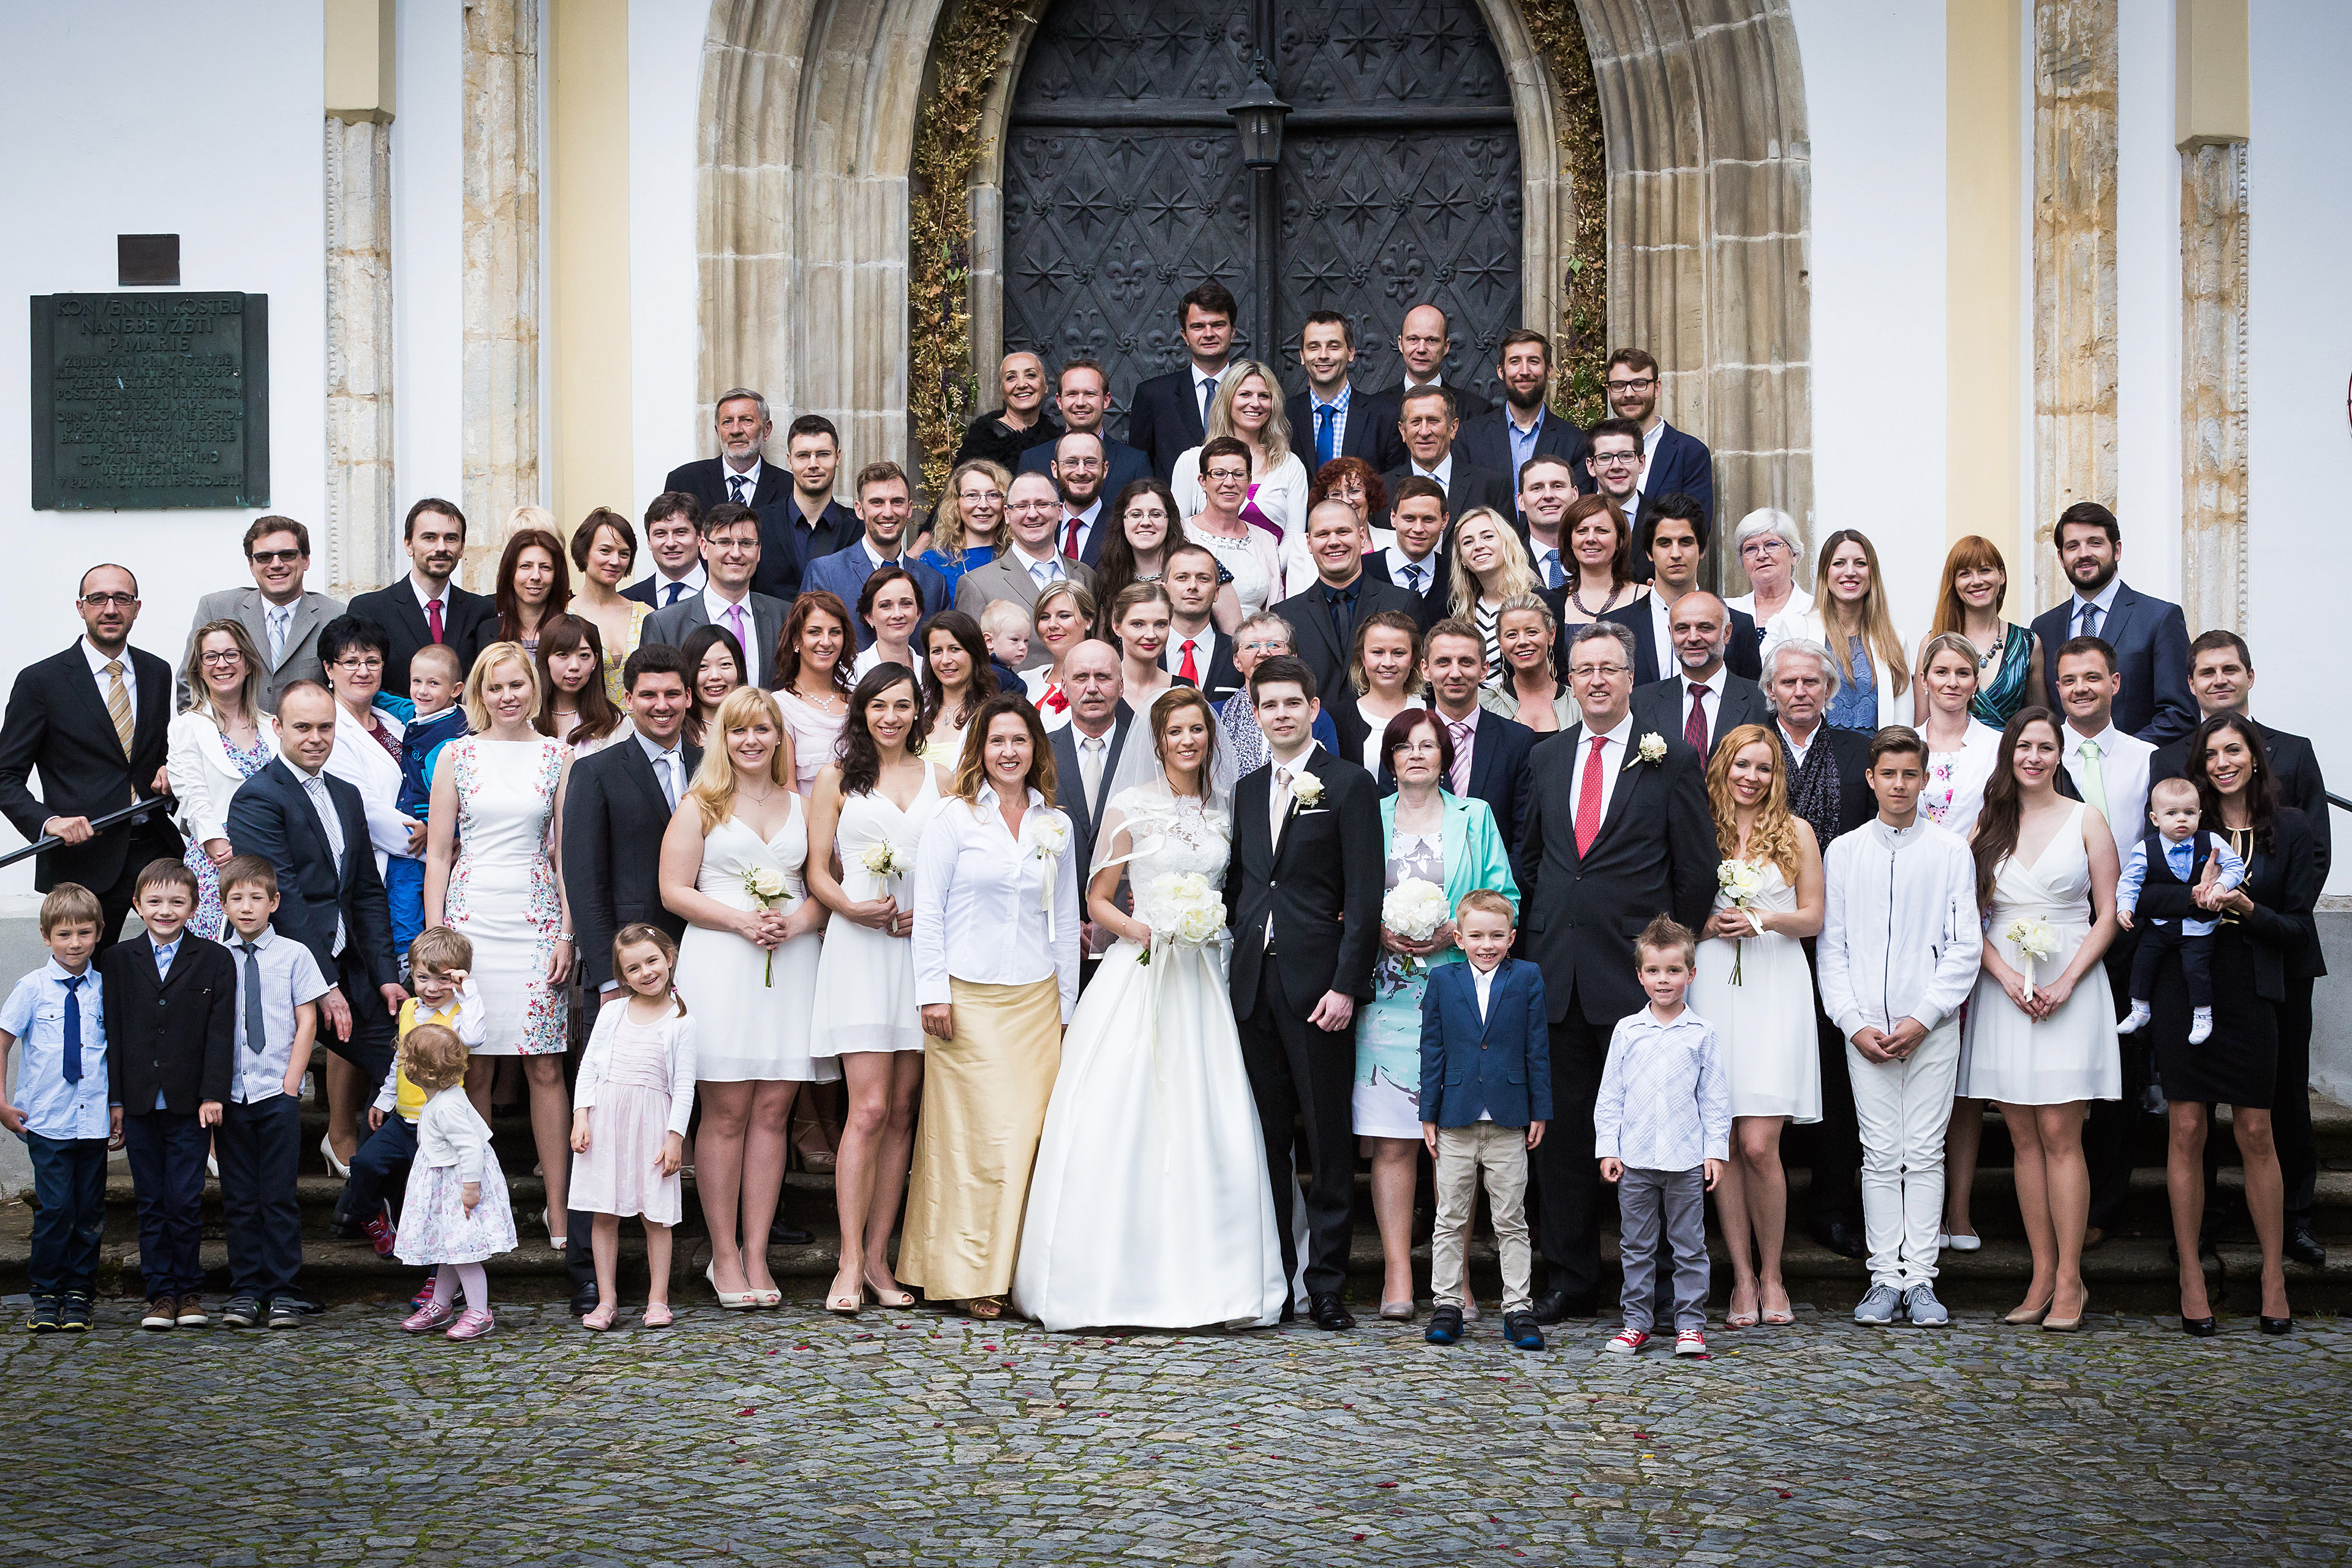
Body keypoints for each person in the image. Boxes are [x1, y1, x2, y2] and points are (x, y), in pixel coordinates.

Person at [1016, 686, 1289, 1331]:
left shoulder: (1228, 807)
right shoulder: (1130, 806)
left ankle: (1220, 1277)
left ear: (1210, 738)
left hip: (1209, 974)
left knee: (1211, 1112)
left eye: (1198, 730)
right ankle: (1111, 1277)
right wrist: (1141, 929)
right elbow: (1097, 899)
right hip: (1142, 970)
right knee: (1127, 1108)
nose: (1188, 741)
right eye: (1176, 732)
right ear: (1158, 741)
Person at [1517, 620, 1715, 1321]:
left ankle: (1657, 1287)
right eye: (1585, 669)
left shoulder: (1672, 759)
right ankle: (1571, 1279)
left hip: (1638, 983)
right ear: (1569, 681)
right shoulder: (1546, 757)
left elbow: (1695, 872)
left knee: (1654, 1137)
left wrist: (1664, 958)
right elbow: (1532, 862)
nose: (1597, 680)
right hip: (1558, 977)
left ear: (1632, 678)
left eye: (1609, 668)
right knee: (1563, 1139)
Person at [2148, 630, 2330, 1268]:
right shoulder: (2173, 763)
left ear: (2250, 675)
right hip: (2197, 963)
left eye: (2230, 668)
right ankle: (2203, 1222)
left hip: (2277, 957)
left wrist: (2260, 910)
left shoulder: (2295, 753)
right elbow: (2157, 866)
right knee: (2194, 1111)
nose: (2219, 679)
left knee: (2284, 1095)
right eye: (2207, 671)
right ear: (2191, 683)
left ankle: (2296, 1219)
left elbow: (2314, 854)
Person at [662, 685, 837, 1309]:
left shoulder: (804, 805)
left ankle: (758, 1250)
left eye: (763, 729)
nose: (752, 740)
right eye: (739, 730)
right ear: (721, 738)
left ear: (779, 737)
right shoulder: (700, 805)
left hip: (791, 964)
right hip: (721, 963)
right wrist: (741, 921)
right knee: (728, 1111)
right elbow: (673, 889)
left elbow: (822, 888)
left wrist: (797, 922)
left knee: (773, 1113)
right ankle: (724, 1254)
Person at [1224, 655, 1385, 1330]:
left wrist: (1347, 986)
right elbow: (1245, 885)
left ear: (1315, 707)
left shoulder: (1348, 784)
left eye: (1293, 702)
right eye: (1270, 704)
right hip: (1253, 988)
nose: (1282, 714)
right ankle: (1274, 1279)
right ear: (1256, 714)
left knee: (1326, 1141)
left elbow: (1365, 895)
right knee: (1265, 1142)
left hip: (1320, 990)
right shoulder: (1246, 788)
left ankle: (1326, 1286)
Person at [905, 695, 1080, 1316]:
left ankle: (1014, 1272)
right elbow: (928, 912)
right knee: (973, 1140)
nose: (1009, 752)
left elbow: (1065, 919)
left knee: (1024, 1138)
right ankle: (965, 1274)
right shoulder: (954, 818)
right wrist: (933, 992)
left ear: (1036, 748)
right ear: (980, 749)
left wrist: (1066, 1006)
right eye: (998, 741)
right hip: (966, 999)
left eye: (1020, 740)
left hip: (1035, 1001)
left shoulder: (1055, 825)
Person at [1958, 707, 2122, 1331]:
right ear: (2009, 753)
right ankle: (2042, 1274)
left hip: (2070, 983)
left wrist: (2067, 981)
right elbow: (1963, 915)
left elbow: (2108, 913)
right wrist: (2002, 976)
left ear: (2059, 755)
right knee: (2023, 1137)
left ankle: (2072, 1279)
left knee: (2059, 1132)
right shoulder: (1988, 823)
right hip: (2004, 987)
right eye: (2023, 746)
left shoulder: (2087, 819)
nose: (2033, 756)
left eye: (2045, 747)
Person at [1819, 728, 1983, 1329]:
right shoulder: (1845, 852)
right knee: (1881, 1152)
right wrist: (1853, 1021)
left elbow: (1965, 945)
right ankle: (1885, 1276)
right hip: (1866, 1031)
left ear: (1924, 779)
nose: (1899, 784)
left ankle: (1922, 1279)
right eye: (1888, 774)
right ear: (1871, 778)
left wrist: (1926, 1015)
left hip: (1930, 1027)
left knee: (1924, 1151)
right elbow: (1832, 948)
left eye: (1910, 774)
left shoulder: (1950, 851)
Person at [1362, 711, 1517, 1319]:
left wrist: (1457, 929)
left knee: (1453, 1141)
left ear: (1446, 756)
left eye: (1428, 745)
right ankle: (1398, 1274)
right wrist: (1377, 929)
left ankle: (1454, 1279)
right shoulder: (1369, 815)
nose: (1416, 754)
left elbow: (1506, 896)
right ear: (1391, 759)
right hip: (1386, 996)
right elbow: (1347, 891)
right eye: (1404, 746)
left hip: (1458, 990)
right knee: (1393, 1141)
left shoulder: (1475, 817)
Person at [423, 643, 577, 1245]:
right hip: (470, 921)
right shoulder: (456, 756)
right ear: (478, 693)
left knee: (545, 1063)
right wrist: (436, 938)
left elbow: (566, 855)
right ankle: (478, 1203)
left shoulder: (559, 756)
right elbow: (439, 854)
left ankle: (560, 1208)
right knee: (475, 1066)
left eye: (517, 685)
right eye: (495, 687)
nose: (507, 696)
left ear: (533, 688)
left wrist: (566, 932)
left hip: (536, 920)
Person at [805, 666, 944, 1313]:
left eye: (902, 705)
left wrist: (933, 918)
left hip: (920, 954)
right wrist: (852, 909)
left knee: (903, 1110)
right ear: (861, 711)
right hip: (860, 947)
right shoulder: (837, 778)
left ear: (918, 711)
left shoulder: (942, 777)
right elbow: (816, 871)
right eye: (878, 705)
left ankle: (882, 1258)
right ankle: (848, 1261)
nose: (890, 716)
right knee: (867, 1107)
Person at [224, 681, 406, 1159]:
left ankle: (368, 1188)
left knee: (407, 1069)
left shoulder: (346, 794)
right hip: (288, 978)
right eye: (302, 727)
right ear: (277, 727)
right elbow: (285, 899)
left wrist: (387, 977)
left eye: (325, 727)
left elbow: (366, 892)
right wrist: (322, 984)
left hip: (354, 967)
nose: (315, 738)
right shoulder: (257, 798)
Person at [1691, 723, 1823, 1330]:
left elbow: (1814, 917)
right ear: (1724, 767)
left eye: (1764, 768)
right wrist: (1709, 926)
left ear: (1777, 775)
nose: (1752, 777)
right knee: (1722, 1141)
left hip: (1774, 985)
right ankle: (1742, 1278)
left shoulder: (1797, 832)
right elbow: (1678, 905)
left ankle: (1774, 1274)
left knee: (1758, 1143)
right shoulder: (1702, 828)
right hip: (1714, 984)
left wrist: (1762, 919)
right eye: (1742, 765)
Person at [0, 564, 186, 956]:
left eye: (122, 598)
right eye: (98, 599)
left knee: (180, 965)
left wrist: (171, 768)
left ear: (137, 608)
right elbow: (5, 776)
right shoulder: (41, 681)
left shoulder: (157, 671)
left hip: (158, 850)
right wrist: (48, 823)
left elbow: (156, 751)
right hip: (84, 859)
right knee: (90, 976)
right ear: (80, 608)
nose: (110, 609)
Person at [99, 859, 235, 1330]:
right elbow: (114, 1034)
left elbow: (220, 1033)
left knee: (185, 1199)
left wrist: (212, 1093)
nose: (165, 910)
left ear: (194, 907)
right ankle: (160, 1294)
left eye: (177, 902)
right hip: (139, 1103)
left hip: (190, 1104)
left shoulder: (214, 959)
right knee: (151, 1201)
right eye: (155, 901)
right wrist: (116, 1101)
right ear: (137, 905)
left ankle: (190, 1292)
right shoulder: (117, 961)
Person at [1419, 888, 1550, 1351]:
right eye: (1476, 936)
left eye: (1497, 935)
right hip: (1455, 1116)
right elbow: (1432, 1048)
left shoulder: (1528, 977)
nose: (1487, 944)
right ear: (1459, 938)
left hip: (1509, 1117)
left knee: (1511, 1218)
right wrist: (1428, 1112)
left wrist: (1539, 1109)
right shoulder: (1443, 980)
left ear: (1512, 938)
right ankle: (1447, 1304)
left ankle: (1518, 1308)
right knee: (1449, 1217)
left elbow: (1537, 1047)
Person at [1596, 916, 1728, 1359]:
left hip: (1686, 1159)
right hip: (1635, 1158)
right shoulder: (1627, 1031)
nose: (1664, 980)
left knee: (1689, 1245)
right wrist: (1609, 1148)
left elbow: (1713, 1098)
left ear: (1692, 974)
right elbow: (1611, 1094)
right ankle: (1636, 1322)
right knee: (1637, 1245)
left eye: (1674, 970)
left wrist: (1714, 1152)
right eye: (1654, 970)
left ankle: (1690, 1324)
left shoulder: (1703, 1033)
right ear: (1640, 976)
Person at [209, 855, 330, 1328]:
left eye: (256, 898)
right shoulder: (215, 959)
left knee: (278, 1197)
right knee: (239, 1198)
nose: (246, 907)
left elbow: (307, 1020)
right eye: (236, 899)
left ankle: (284, 1290)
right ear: (223, 905)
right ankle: (246, 1291)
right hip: (232, 1094)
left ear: (274, 903)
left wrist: (291, 1084)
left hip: (276, 1092)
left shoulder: (295, 955)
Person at [568, 924, 697, 1332]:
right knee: (604, 1212)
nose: (646, 973)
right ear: (622, 975)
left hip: (653, 1124)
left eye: (652, 961)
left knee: (655, 1216)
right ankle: (607, 1300)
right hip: (606, 1123)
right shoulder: (612, 1012)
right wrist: (581, 1115)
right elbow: (589, 1067)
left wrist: (675, 1138)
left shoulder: (681, 1020)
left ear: (669, 958)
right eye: (634, 968)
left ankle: (658, 1299)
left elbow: (684, 1085)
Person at [1, 883, 118, 1335]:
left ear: (100, 932)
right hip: (46, 1121)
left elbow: (116, 1053)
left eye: (84, 933)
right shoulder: (32, 988)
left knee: (89, 1211)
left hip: (93, 1122)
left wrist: (118, 1107)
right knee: (55, 1210)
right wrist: (1, 1104)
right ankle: (46, 1294)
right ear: (46, 936)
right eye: (64, 934)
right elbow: (3, 1042)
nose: (75, 944)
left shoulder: (106, 989)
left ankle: (80, 1295)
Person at [328, 928, 484, 1262]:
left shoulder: (460, 1016)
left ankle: (438, 1274)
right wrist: (384, 1099)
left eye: (443, 980)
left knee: (434, 1201)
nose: (431, 988)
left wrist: (467, 990)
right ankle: (374, 1217)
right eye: (423, 978)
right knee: (363, 1164)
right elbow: (401, 1059)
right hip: (402, 1120)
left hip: (439, 1128)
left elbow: (475, 1038)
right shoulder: (410, 1008)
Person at [563, 643, 703, 1011]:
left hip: (707, 948)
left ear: (689, 697)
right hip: (632, 962)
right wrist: (609, 976)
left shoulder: (713, 767)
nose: (662, 705)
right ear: (628, 699)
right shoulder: (595, 772)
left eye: (672, 694)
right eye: (648, 695)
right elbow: (584, 882)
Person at [2029, 502, 2196, 744]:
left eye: (2095, 543)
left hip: (2138, 764)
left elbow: (2181, 715)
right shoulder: (2044, 628)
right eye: (2073, 546)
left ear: (2117, 550)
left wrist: (2121, 754)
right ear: (2061, 558)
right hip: (2064, 765)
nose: (2084, 554)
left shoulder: (2159, 618)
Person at [390, 1022, 516, 1341]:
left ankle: (479, 1311)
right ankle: (441, 1304)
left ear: (418, 1070)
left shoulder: (446, 1107)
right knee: (449, 1247)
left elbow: (471, 1146)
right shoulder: (442, 1099)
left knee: (464, 1251)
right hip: (445, 1185)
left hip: (457, 1186)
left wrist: (470, 1189)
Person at [168, 620, 280, 941]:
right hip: (217, 859)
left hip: (273, 854)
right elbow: (192, 794)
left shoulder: (273, 725)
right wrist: (216, 845)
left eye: (232, 654)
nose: (222, 664)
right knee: (218, 954)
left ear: (248, 663)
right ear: (199, 669)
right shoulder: (187, 726)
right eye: (211, 657)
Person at [2117, 777, 2245, 1044]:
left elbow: (2236, 866)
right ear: (2155, 819)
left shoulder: (2211, 841)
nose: (2182, 819)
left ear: (2199, 815)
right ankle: (2139, 1009)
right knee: (2142, 961)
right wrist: (2125, 908)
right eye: (2172, 814)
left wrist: (2220, 885)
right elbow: (2130, 881)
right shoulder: (2145, 849)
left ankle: (2203, 1015)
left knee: (2196, 969)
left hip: (2200, 926)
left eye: (2189, 812)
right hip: (2160, 924)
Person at [182, 516, 345, 712]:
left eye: (287, 555)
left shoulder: (336, 616)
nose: (276, 564)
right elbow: (189, 683)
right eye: (264, 557)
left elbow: (348, 692)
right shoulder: (216, 609)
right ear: (252, 565)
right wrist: (209, 730)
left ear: (306, 560)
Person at [1171, 361, 1313, 584]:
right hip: (1202, 584)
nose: (1255, 403)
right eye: (1245, 394)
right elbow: (1177, 529)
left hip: (1271, 582)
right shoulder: (1192, 461)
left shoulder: (1289, 464)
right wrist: (1214, 579)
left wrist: (1262, 575)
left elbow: (1294, 535)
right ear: (1228, 400)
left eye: (1264, 396)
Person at [1272, 499, 1420, 709]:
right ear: (1309, 543)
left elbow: (1421, 681)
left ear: (1362, 536)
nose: (1333, 542)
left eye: (1343, 532)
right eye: (1323, 534)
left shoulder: (1403, 603)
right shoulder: (1285, 615)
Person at [1602, 497, 1762, 683]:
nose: (1676, 554)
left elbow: (1750, 696)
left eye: (1685, 542)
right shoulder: (1615, 625)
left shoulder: (1739, 626)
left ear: (1702, 550)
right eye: (1665, 543)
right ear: (1649, 553)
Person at [1766, 529, 1909, 733]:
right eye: (1839, 563)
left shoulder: (1895, 639)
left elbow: (1903, 719)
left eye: (1860, 563)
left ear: (1872, 573)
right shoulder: (1797, 628)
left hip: (1878, 751)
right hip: (1815, 750)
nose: (1850, 572)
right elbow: (1782, 706)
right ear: (1825, 573)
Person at [350, 500, 496, 691]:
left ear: (462, 548)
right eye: (430, 538)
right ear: (408, 545)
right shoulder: (370, 609)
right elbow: (361, 684)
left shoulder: (482, 611)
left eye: (451, 538)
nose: (441, 547)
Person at [640, 502, 790, 688]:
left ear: (758, 551)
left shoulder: (785, 617)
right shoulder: (665, 625)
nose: (736, 553)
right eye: (724, 542)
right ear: (704, 547)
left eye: (746, 543)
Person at [1417, 619, 1536, 850]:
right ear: (1426, 669)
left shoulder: (1517, 741)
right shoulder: (1404, 739)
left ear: (1483, 670)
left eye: (1466, 662)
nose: (1455, 673)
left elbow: (1525, 836)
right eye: (1443, 662)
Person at [804, 462, 951, 646]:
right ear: (859, 510)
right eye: (877, 503)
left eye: (897, 502)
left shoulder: (934, 584)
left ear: (909, 509)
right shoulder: (826, 574)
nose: (888, 512)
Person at [1090, 479, 1238, 641]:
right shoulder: (1112, 577)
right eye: (1136, 514)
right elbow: (1104, 646)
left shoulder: (1203, 566)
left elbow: (1237, 642)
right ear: (1122, 521)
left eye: (1156, 514)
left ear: (1170, 520)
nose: (1146, 522)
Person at [951, 470, 1101, 630]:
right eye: (1021, 506)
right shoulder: (977, 585)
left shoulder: (1087, 576)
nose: (1032, 514)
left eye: (1042, 504)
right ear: (1007, 515)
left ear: (1060, 511)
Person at [1456, 330, 1587, 509]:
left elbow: (1578, 509)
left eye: (1533, 361)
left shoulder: (1574, 441)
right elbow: (1461, 502)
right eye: (1515, 362)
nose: (1524, 372)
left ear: (1549, 370)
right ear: (1501, 371)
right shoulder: (1471, 436)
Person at [1629, 592, 1770, 757]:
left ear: (1727, 633)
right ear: (1670, 633)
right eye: (1682, 629)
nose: (1693, 637)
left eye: (1705, 628)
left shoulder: (1763, 702)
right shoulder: (1640, 703)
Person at [1362, 303, 1496, 474]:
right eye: (1413, 339)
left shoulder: (1476, 410)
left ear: (1446, 346)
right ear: (1400, 344)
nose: (1421, 349)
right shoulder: (1373, 410)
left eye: (1432, 340)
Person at [1125, 283, 1236, 480]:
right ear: (1185, 335)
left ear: (1233, 331)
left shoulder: (1254, 396)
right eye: (1198, 326)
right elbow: (1138, 471)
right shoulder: (1153, 396)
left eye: (1218, 325)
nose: (1208, 333)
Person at [1213, 613, 1343, 782]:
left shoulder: (1316, 717)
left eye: (1274, 645)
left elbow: (1331, 778)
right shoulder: (1217, 715)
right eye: (1252, 646)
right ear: (1237, 661)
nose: (1263, 652)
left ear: (1293, 657)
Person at [1927, 535, 2040, 726]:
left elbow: (2040, 722)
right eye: (1965, 574)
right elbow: (1921, 727)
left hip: (2010, 747)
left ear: (2001, 575)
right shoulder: (1933, 641)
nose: (1977, 581)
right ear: (1953, 583)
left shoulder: (2028, 643)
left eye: (1985, 570)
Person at [1597, 348, 1714, 524]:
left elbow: (1697, 528)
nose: (1629, 394)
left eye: (1639, 384)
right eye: (1619, 385)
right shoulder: (1593, 450)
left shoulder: (1690, 453)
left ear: (1657, 388)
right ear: (1609, 390)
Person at [753, 415, 864, 600]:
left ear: (838, 457)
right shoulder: (759, 524)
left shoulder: (860, 527)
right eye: (803, 456)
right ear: (789, 460)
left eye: (823, 454)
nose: (813, 464)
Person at [1014, 358, 1152, 498]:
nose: (1080, 403)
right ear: (1059, 401)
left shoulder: (1135, 462)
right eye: (1072, 394)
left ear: (1106, 400)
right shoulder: (1033, 460)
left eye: (1090, 394)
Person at [1379, 387, 1513, 529]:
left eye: (1433, 421)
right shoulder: (1381, 490)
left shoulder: (1491, 487)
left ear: (1453, 428)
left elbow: (1508, 542)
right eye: (1416, 422)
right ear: (1403, 431)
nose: (1424, 432)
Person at [1913, 632, 2003, 840]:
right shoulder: (1908, 743)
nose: (1952, 682)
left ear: (1975, 683)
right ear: (1924, 680)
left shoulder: (1998, 745)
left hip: (1977, 857)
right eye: (1942, 672)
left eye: (1963, 673)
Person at [1181, 438, 1286, 614]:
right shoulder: (1182, 533)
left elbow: (1277, 607)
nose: (1230, 483)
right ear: (1203, 481)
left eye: (1238, 474)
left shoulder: (1266, 540)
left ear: (1249, 480)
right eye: (1219, 474)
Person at [771, 588, 851, 795]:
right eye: (814, 632)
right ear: (796, 640)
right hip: (806, 814)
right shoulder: (780, 705)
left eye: (835, 632)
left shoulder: (858, 700)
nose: (826, 642)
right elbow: (787, 789)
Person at [569, 507, 650, 701]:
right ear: (584, 552)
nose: (615, 561)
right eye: (605, 551)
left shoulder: (646, 615)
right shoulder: (564, 616)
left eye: (624, 554)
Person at [1446, 507, 1537, 677]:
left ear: (1506, 543)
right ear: (1462, 559)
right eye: (1468, 542)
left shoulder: (1538, 602)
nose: (1479, 546)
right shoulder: (1457, 610)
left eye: (1488, 537)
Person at [666, 387, 790, 512]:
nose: (736, 430)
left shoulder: (789, 487)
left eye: (747, 420)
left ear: (766, 430)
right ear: (718, 431)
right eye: (727, 422)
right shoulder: (683, 482)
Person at [1289, 311, 1382, 470]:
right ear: (1302, 356)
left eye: (1333, 347)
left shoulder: (1382, 418)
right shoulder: (1284, 416)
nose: (1323, 355)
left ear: (1351, 353)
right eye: (1314, 347)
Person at [1333, 610, 1423, 768]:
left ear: (1413, 659)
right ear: (1363, 657)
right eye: (1378, 652)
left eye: (1398, 653)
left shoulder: (1433, 713)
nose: (1388, 663)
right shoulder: (1338, 719)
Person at [1543, 492, 1645, 631]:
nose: (1591, 538)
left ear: (1620, 540)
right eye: (1582, 531)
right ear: (1570, 540)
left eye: (1601, 531)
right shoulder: (1552, 604)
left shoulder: (1644, 597)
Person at [1160, 540, 1245, 701]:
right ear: (1164, 591)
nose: (1193, 586)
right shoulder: (1145, 652)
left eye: (1203, 579)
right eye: (1182, 578)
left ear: (1217, 592)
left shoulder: (1238, 654)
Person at [1360, 475, 1450, 626]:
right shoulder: (1363, 569)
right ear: (1393, 518)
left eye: (1428, 519)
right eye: (1409, 518)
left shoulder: (1456, 574)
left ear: (1444, 521)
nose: (1418, 529)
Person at [916, 458, 1009, 603]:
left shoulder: (1017, 557)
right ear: (956, 503)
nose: (983, 505)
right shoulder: (934, 563)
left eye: (993, 495)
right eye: (972, 495)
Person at [955, 350, 1061, 472]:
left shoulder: (1057, 441)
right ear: (1002, 391)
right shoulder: (979, 441)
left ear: (1046, 386)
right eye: (1011, 378)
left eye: (1031, 375)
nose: (1021, 384)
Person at [533, 614, 625, 753]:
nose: (574, 666)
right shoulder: (525, 719)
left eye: (584, 656)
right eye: (563, 655)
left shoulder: (616, 722)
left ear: (595, 661)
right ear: (546, 659)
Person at [1480, 593, 1572, 733]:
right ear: (1500, 643)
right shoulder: (1484, 704)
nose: (1522, 641)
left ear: (1551, 635)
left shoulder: (1578, 702)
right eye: (1512, 635)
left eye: (1532, 632)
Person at [919, 610, 997, 766]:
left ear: (974, 653)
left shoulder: (993, 713)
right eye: (937, 651)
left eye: (955, 649)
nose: (945, 660)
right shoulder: (918, 709)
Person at [1724, 508, 1810, 649]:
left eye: (1771, 545)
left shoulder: (1814, 611)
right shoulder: (1727, 611)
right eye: (1751, 549)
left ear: (1794, 554)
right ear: (1743, 561)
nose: (1761, 555)